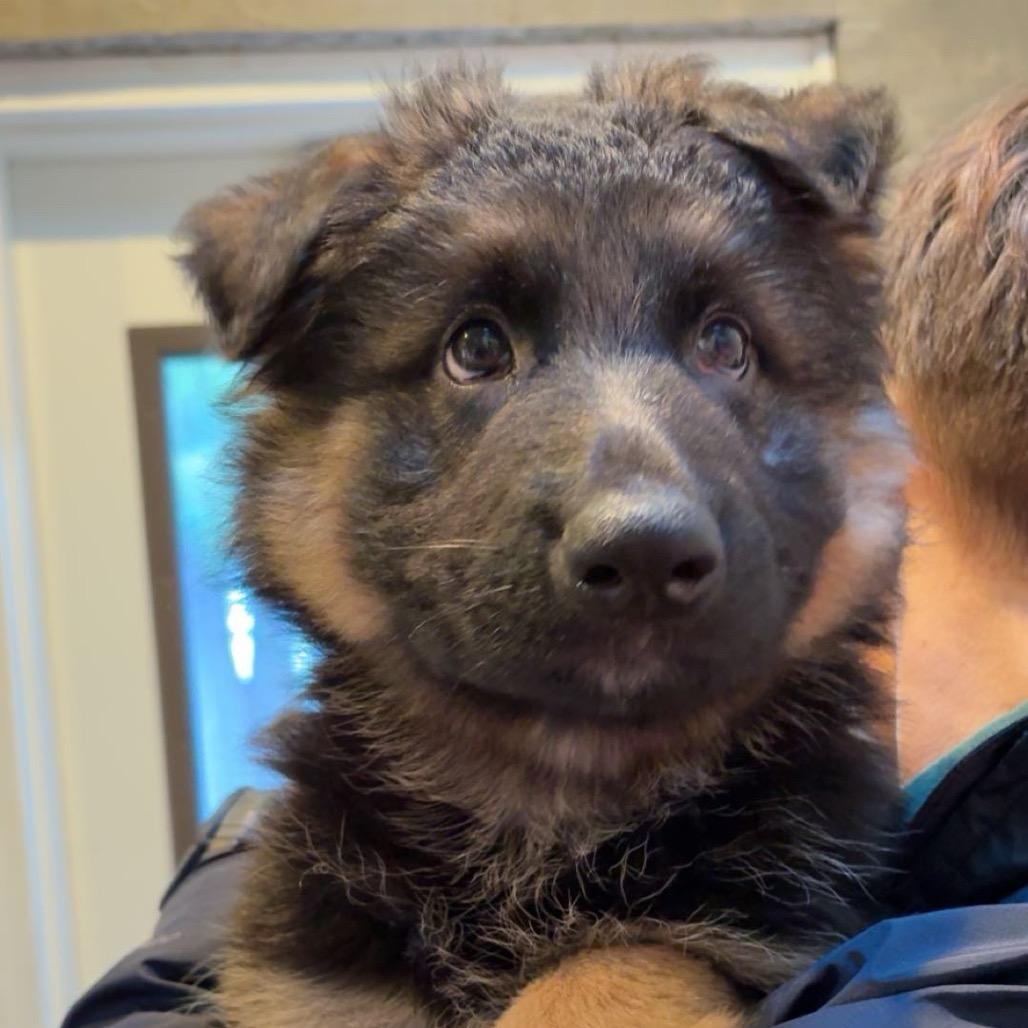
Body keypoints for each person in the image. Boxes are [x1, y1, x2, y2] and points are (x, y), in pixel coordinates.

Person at [62, 96, 1028, 1028]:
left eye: (723, 345)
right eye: (476, 350)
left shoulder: (893, 921)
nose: (643, 507)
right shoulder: (308, 891)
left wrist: (642, 977)